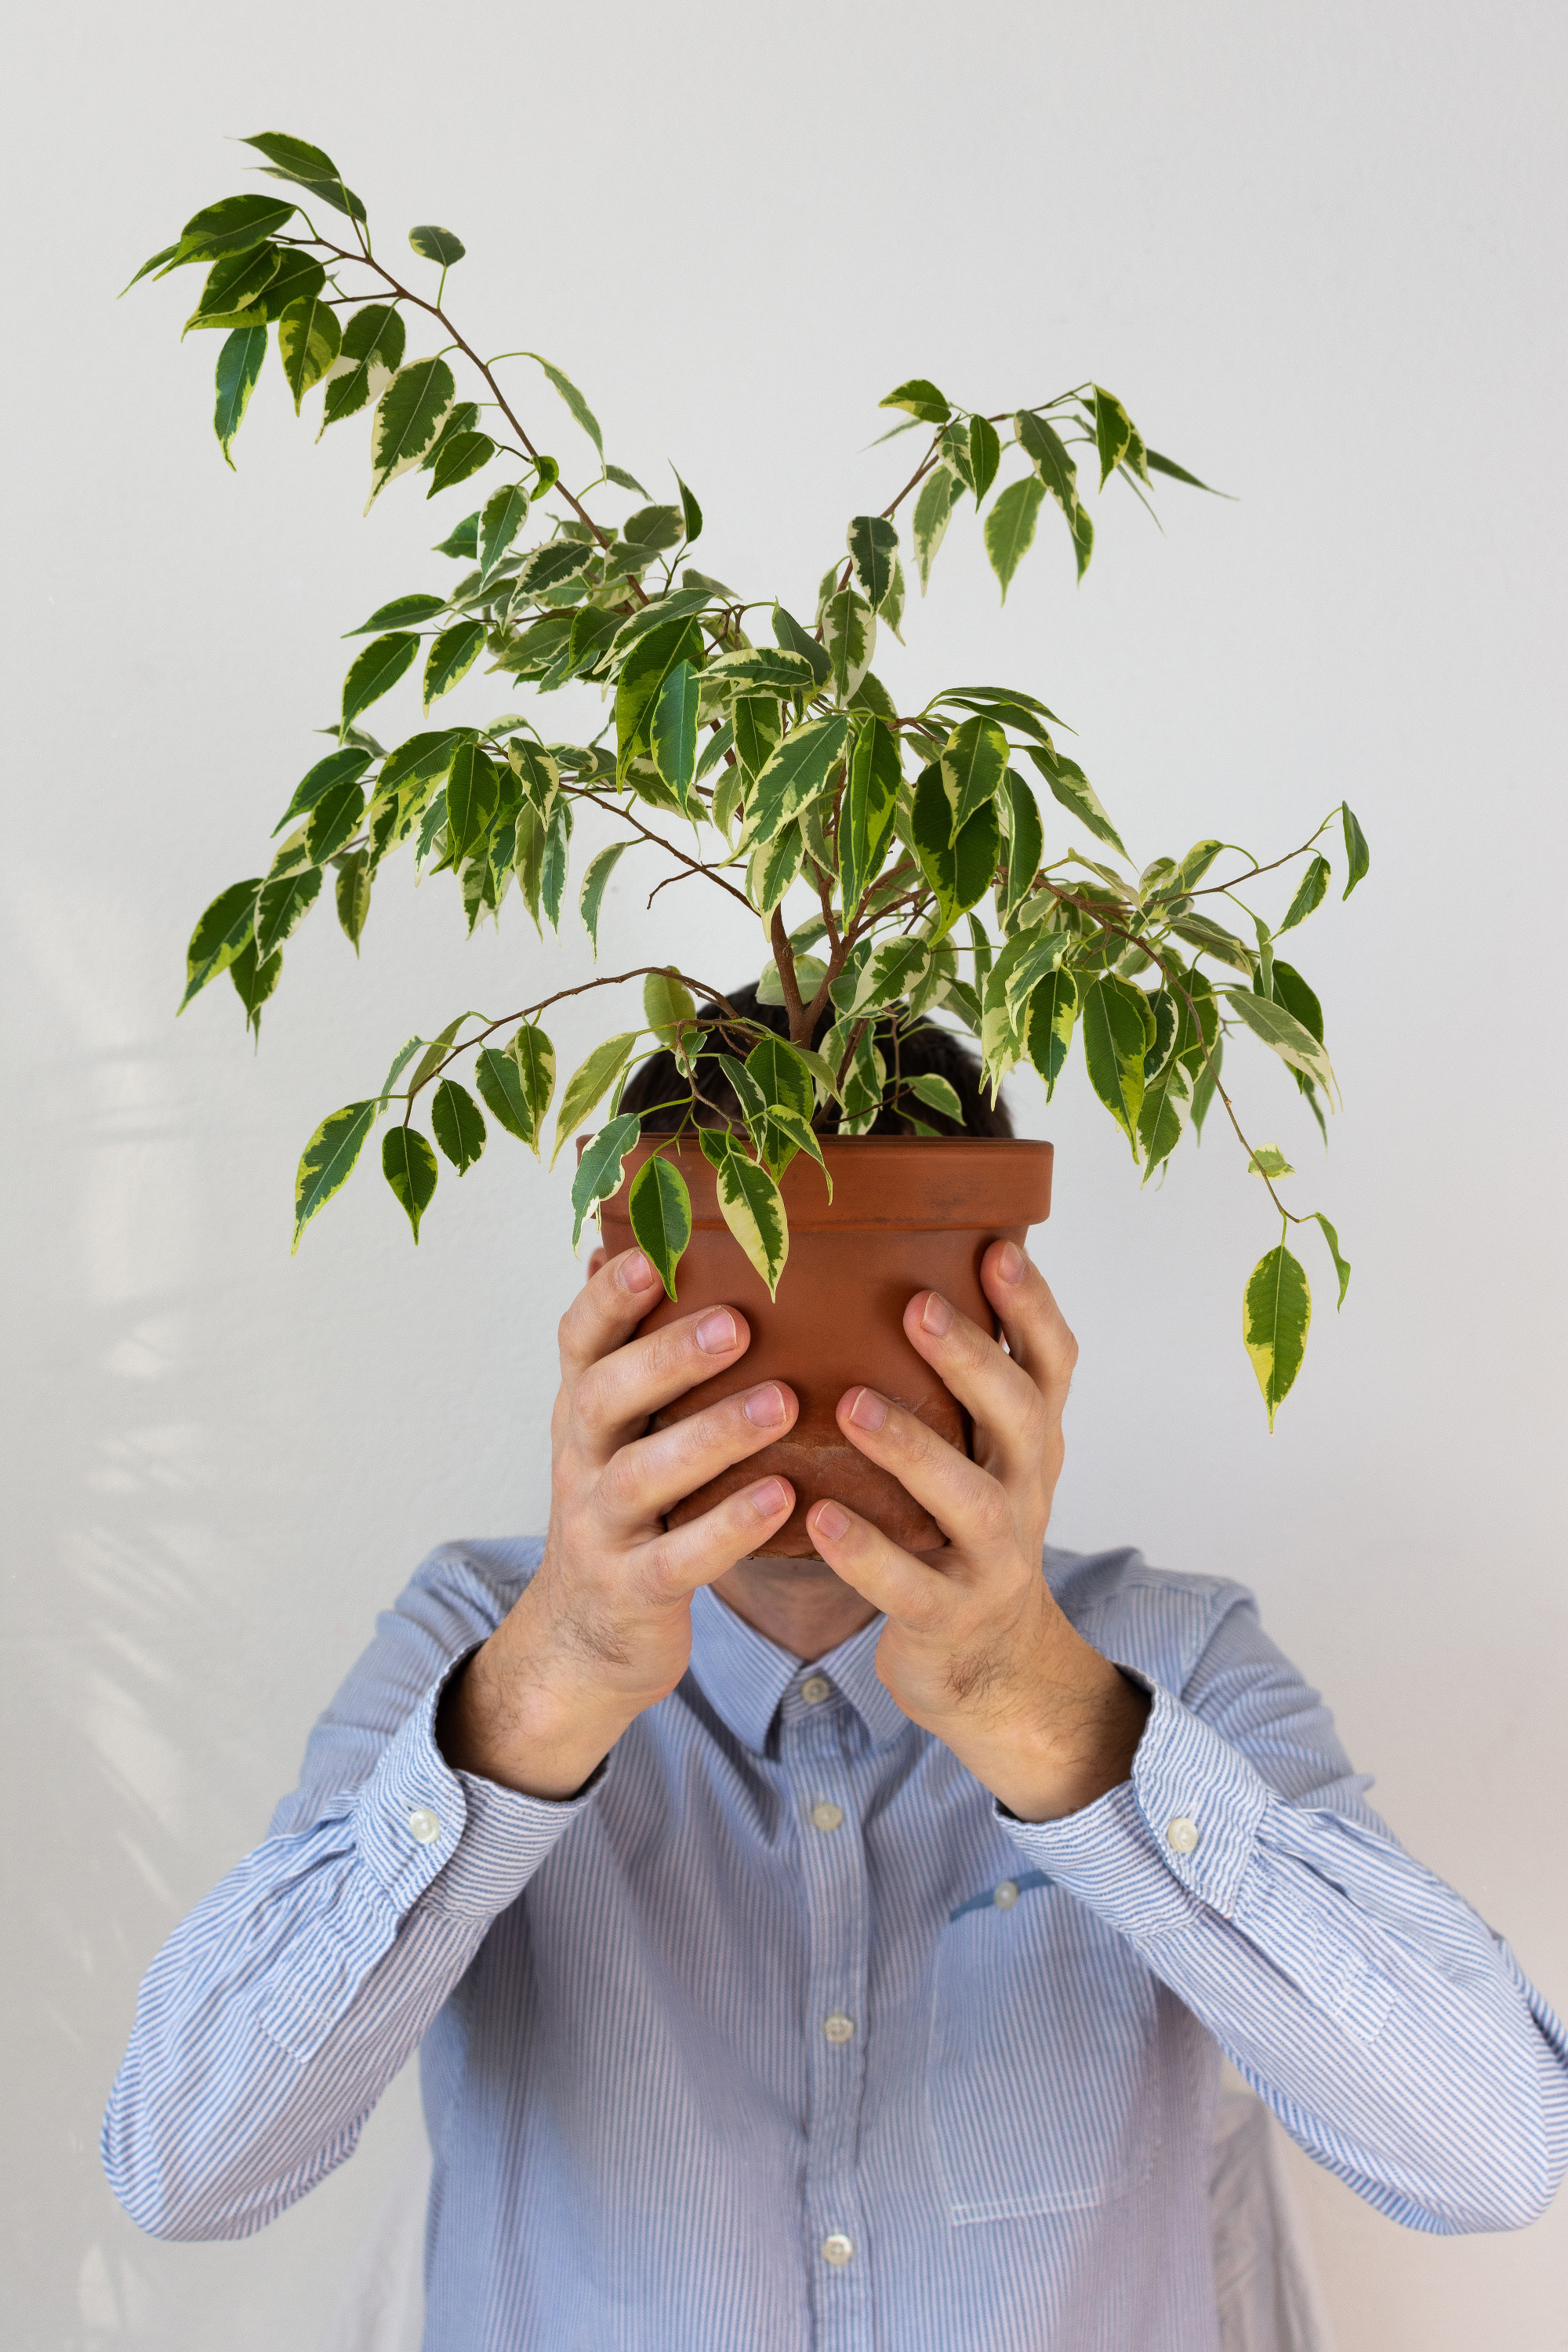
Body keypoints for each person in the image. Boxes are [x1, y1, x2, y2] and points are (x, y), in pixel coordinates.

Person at [103, 992, 1568, 2352]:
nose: (804, 1376)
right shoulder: (476, 1643)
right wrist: (543, 1693)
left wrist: (1044, 1711)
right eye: (744, 1285)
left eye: (876, 1287)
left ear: (1002, 1324)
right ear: (627, 1310)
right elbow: (185, 2162)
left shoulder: (1168, 1658)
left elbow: (1495, 2153)